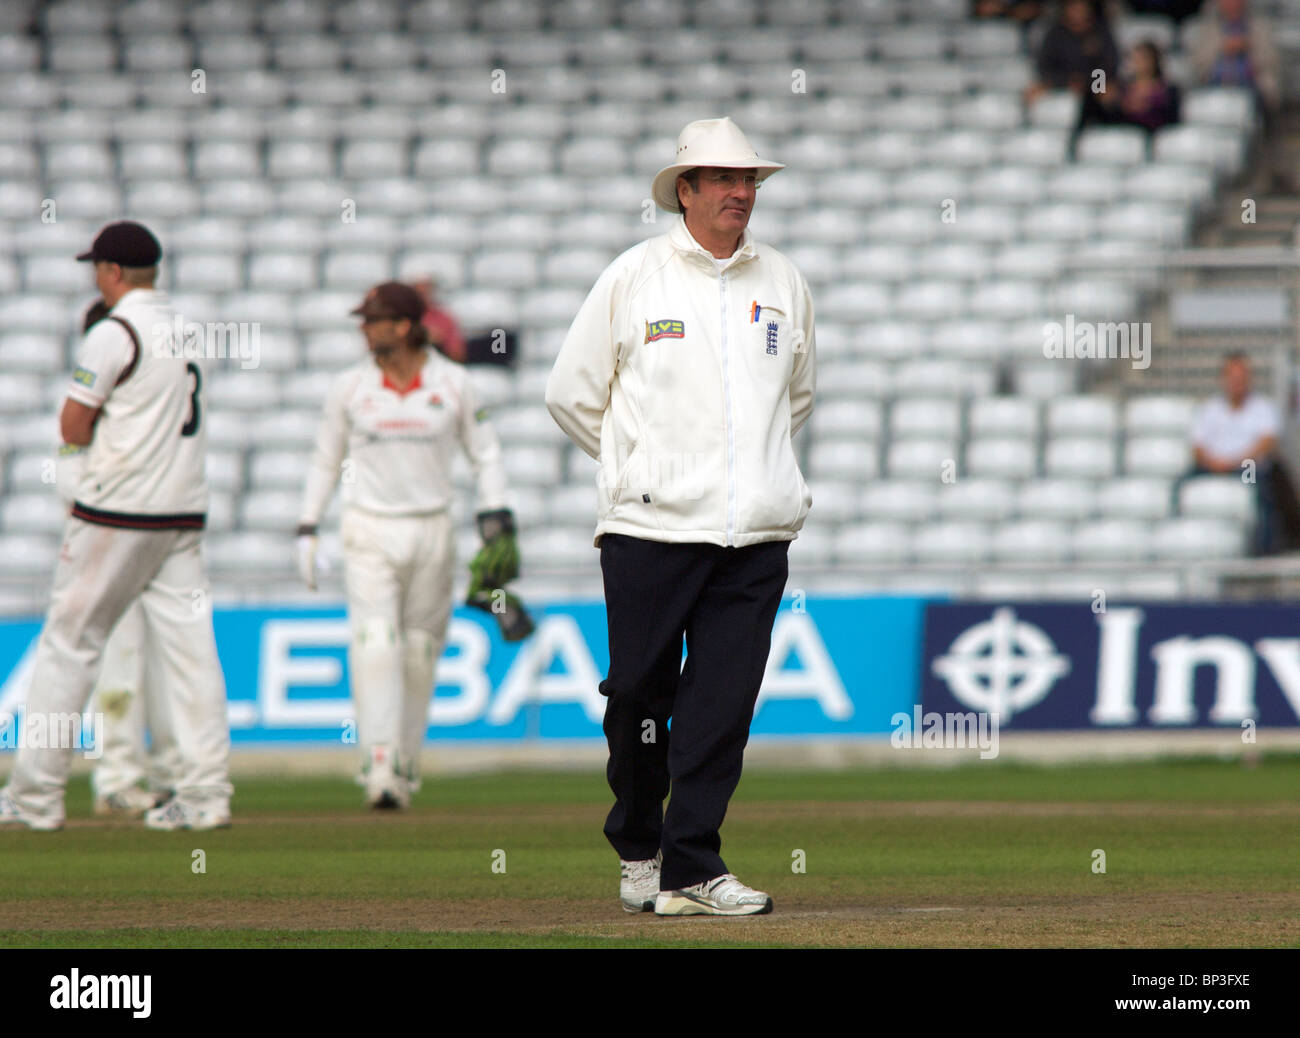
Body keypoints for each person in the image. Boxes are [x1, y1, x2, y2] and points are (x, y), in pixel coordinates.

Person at [545, 117, 816, 916]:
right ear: (684, 191)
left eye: (751, 181)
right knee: (637, 697)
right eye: (723, 180)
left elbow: (795, 398)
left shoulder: (786, 282)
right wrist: (644, 472)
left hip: (755, 536)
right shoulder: (634, 277)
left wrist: (756, 477)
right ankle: (638, 841)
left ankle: (693, 865)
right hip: (651, 531)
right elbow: (570, 393)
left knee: (721, 708)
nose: (741, 193)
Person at [0, 220, 232, 832]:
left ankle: (34, 797)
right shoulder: (190, 330)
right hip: (181, 512)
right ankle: (207, 795)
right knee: (192, 655)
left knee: (69, 646)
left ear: (110, 273)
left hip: (117, 512)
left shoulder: (114, 331)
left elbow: (73, 427)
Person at [295, 281, 520, 810]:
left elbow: (485, 455)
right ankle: (378, 765)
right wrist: (308, 525)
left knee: (419, 650)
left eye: (373, 320)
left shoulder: (454, 382)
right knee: (375, 639)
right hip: (369, 527)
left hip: (432, 528)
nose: (365, 330)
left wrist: (496, 516)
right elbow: (326, 459)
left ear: (403, 326)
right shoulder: (350, 386)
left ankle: (405, 763)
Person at [63, 298, 181, 818]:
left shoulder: (139, 412)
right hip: (106, 546)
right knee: (120, 664)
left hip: (147, 542)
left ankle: (161, 771)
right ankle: (116, 778)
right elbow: (70, 482)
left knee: (157, 666)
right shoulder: (85, 412)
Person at [1183, 353, 1295, 555]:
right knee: (1181, 485)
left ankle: (1263, 551)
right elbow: (1197, 447)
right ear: (1224, 378)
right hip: (1212, 467)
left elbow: (1267, 442)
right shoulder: (1209, 409)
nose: (1237, 382)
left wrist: (1236, 461)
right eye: (1233, 377)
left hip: (1247, 467)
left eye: (1242, 377)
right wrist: (1216, 463)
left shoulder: (1262, 408)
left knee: (1262, 491)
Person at [1070, 39, 1180, 156]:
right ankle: (1076, 144)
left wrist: (1145, 106)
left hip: (1147, 134)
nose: (1138, 63)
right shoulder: (1122, 87)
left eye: (1143, 58)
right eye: (1134, 59)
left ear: (1154, 61)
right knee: (1092, 96)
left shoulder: (1167, 90)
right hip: (1121, 127)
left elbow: (1170, 119)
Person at [1025, 0, 1119, 106]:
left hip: (1094, 82)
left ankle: (1101, 120)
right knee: (1034, 91)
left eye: (1082, 8)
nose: (1078, 12)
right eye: (1074, 8)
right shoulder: (1055, 33)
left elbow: (1109, 62)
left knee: (1108, 92)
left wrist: (1088, 80)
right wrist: (1067, 80)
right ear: (1066, 10)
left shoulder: (1100, 31)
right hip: (1063, 82)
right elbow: (1044, 65)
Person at [411, 276, 468, 364]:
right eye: (419, 292)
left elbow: (458, 355)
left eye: (426, 291)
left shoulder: (444, 318)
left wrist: (440, 342)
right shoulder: (402, 318)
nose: (422, 296)